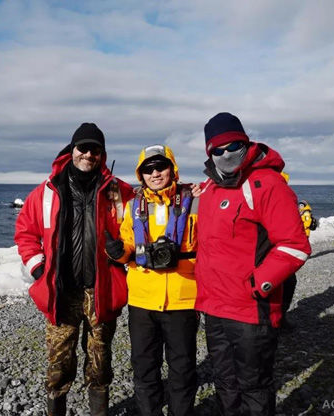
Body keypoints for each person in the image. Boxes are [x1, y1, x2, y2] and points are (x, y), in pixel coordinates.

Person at [194, 112, 311, 415]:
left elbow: (295, 245)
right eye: (217, 150)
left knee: (254, 386)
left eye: (233, 146)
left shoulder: (268, 184)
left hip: (250, 311)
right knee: (225, 383)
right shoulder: (209, 190)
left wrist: (259, 284)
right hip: (214, 308)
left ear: (245, 143)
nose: (226, 155)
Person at [14, 123, 133, 416]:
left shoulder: (120, 192)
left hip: (101, 291)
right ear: (72, 149)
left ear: (102, 155)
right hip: (61, 292)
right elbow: (25, 233)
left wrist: (191, 191)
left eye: (95, 149)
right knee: (58, 364)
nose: (88, 154)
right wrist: (38, 269)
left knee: (100, 362)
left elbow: (143, 220)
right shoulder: (46, 192)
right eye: (83, 148)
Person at [105, 144, 199, 416]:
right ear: (141, 175)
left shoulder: (196, 201)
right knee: (144, 367)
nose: (155, 173)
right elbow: (128, 246)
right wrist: (117, 252)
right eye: (148, 169)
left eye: (161, 167)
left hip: (183, 299)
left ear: (172, 169)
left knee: (183, 368)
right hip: (142, 300)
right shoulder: (133, 206)